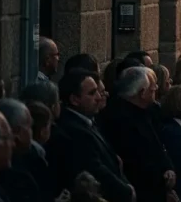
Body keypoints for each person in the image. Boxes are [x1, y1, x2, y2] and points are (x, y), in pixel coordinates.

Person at [48, 70, 133, 202]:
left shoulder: (89, 121)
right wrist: (126, 191)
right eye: (92, 93)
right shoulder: (74, 130)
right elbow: (96, 169)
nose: (99, 97)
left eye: (98, 91)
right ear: (74, 99)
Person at [97, 67, 175, 202]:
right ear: (142, 92)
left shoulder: (148, 111)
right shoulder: (118, 119)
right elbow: (136, 162)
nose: (156, 89)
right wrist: (163, 187)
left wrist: (168, 168)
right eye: (152, 88)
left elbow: (158, 145)